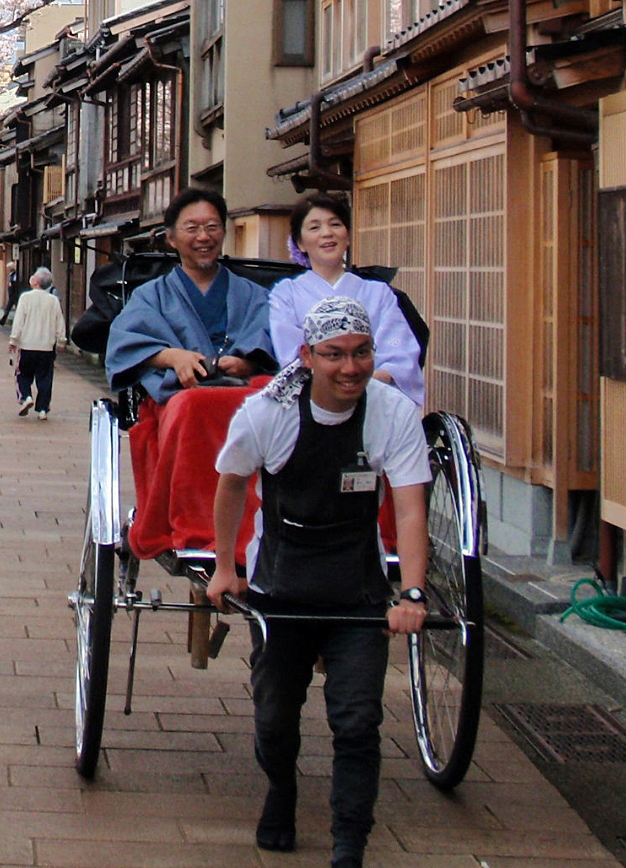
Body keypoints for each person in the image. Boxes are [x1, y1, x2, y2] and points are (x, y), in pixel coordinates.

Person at [207, 297, 432, 867]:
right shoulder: (268, 411)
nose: (350, 368)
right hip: (280, 586)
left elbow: (408, 509)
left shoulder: (392, 412)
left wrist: (410, 592)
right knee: (275, 715)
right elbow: (232, 483)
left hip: (356, 588)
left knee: (358, 720)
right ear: (307, 356)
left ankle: (348, 845)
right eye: (334, 355)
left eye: (361, 353)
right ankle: (281, 790)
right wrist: (227, 567)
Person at [105, 187, 275, 402]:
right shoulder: (150, 296)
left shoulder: (254, 296)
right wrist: (172, 358)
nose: (203, 236)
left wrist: (249, 364)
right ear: (171, 239)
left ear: (224, 232)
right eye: (192, 228)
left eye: (212, 227)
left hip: (246, 401)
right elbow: (124, 345)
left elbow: (276, 346)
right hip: (178, 400)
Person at [267, 195, 425, 407]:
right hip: (313, 402)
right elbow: (292, 357)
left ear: (348, 236)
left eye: (335, 224)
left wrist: (361, 382)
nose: (327, 233)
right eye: (314, 228)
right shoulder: (285, 294)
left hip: (375, 397)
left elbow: (399, 354)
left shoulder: (379, 293)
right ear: (300, 243)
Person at [7, 266, 65, 418]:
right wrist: (61, 341)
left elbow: (19, 321)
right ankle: (43, 409)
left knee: (22, 375)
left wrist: (13, 340)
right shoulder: (53, 301)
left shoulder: (25, 298)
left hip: (27, 345)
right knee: (45, 378)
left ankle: (26, 397)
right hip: (47, 346)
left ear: (36, 281)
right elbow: (60, 322)